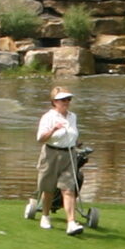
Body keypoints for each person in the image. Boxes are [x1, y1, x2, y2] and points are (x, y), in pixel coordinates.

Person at [28, 87, 86, 236]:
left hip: (69, 154)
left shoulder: (73, 117)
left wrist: (76, 142)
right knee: (48, 189)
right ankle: (45, 216)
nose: (66, 102)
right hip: (51, 154)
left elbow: (72, 133)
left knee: (68, 189)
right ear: (54, 102)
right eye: (63, 100)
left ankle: (71, 223)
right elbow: (40, 138)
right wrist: (53, 129)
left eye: (68, 99)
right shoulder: (48, 117)